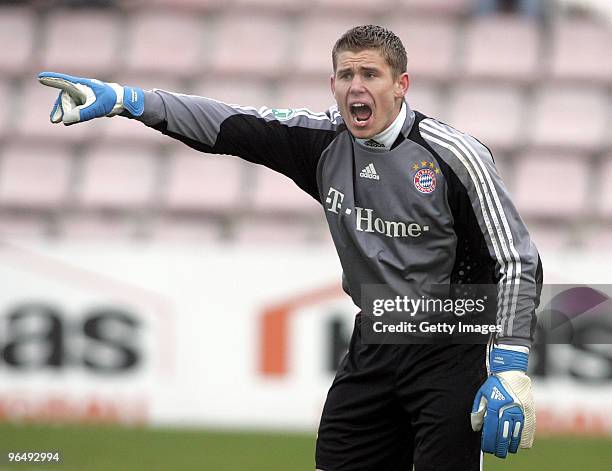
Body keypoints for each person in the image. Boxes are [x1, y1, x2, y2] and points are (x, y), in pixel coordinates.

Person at [39, 25, 542, 471]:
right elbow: (227, 125)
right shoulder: (322, 141)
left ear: (401, 85)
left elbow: (517, 259)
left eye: (370, 74)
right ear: (332, 85)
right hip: (376, 341)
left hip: (450, 349)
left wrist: (511, 364)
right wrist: (127, 98)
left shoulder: (454, 155)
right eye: (345, 75)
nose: (356, 87)